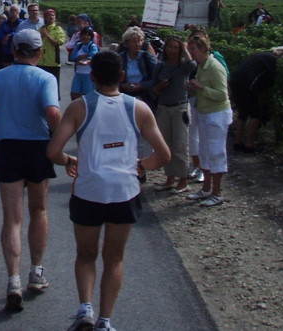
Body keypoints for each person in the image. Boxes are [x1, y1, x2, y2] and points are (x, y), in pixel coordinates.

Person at [47, 51, 171, 331]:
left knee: (86, 254)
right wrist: (141, 167)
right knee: (114, 258)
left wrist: (69, 161)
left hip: (89, 189)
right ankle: (105, 320)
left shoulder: (80, 108)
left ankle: (85, 309)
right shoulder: (137, 108)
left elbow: (53, 151)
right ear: (122, 77)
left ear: (92, 78)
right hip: (124, 191)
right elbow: (163, 154)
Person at [0, 29, 61, 312]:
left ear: (14, 51)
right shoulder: (46, 77)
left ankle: (13, 279)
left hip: (9, 148)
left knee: (12, 218)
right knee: (39, 211)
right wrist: (58, 140)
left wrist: (2, 120)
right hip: (37, 149)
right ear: (39, 53)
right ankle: (36, 271)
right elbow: (53, 112)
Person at [185, 32, 232, 207]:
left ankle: (217, 192)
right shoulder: (202, 66)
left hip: (217, 115)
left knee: (216, 152)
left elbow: (222, 95)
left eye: (193, 49)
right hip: (205, 113)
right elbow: (203, 91)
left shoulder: (214, 66)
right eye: (189, 49)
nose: (191, 53)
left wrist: (201, 88)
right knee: (204, 150)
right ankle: (206, 189)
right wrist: (192, 89)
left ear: (203, 48)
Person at [145, 35, 196, 193]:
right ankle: (169, 177)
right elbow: (153, 89)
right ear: (165, 48)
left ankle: (183, 180)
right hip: (163, 107)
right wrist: (160, 86)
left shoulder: (182, 67)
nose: (173, 50)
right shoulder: (160, 67)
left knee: (180, 144)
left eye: (176, 47)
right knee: (166, 145)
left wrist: (186, 50)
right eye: (170, 47)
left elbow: (192, 65)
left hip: (180, 108)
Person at [231, 46, 283, 153]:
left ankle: (238, 142)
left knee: (243, 112)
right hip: (249, 82)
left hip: (236, 80)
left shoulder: (263, 54)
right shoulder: (274, 61)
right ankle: (249, 144)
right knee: (256, 113)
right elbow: (270, 81)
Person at [38, 8, 66, 94]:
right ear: (45, 18)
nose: (51, 17)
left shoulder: (58, 29)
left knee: (53, 86)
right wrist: (42, 35)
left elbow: (58, 43)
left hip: (53, 62)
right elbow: (37, 42)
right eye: (48, 15)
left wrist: (47, 35)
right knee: (40, 85)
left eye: (52, 15)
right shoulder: (41, 29)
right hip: (41, 62)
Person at [70, 28, 100, 101]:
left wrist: (86, 61)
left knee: (88, 96)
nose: (85, 37)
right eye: (83, 35)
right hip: (78, 73)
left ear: (91, 37)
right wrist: (82, 56)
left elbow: (93, 56)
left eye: (87, 35)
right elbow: (72, 57)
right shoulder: (79, 45)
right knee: (74, 93)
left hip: (88, 74)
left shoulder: (92, 46)